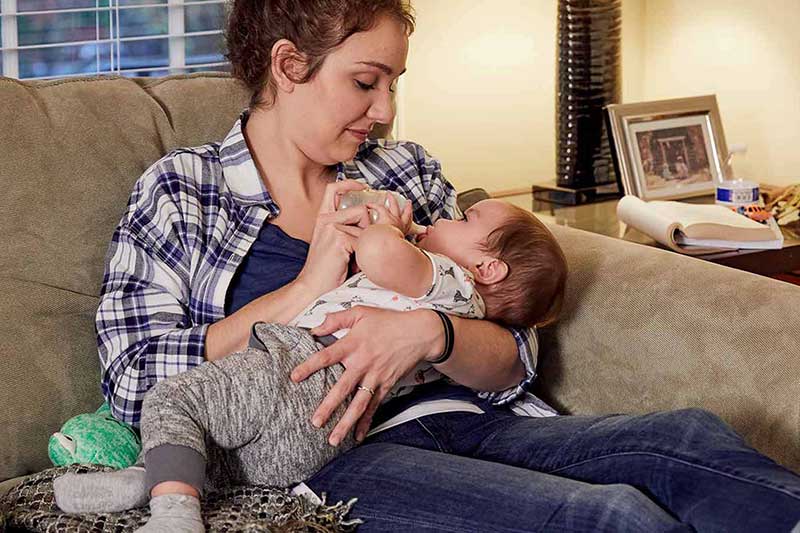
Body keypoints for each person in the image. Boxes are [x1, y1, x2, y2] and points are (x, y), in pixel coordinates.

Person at [87, 0, 800, 531]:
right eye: (367, 82)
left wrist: (435, 333)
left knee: (684, 440)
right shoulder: (185, 190)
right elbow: (135, 381)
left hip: (469, 415)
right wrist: (307, 284)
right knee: (610, 517)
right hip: (341, 451)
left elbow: (516, 348)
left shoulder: (405, 169)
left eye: (395, 82)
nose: (387, 109)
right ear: (287, 65)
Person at [55, 196, 568, 531]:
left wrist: (387, 229)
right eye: (367, 82)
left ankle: (171, 512)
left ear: (487, 267)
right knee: (234, 461)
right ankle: (153, 482)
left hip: (298, 366)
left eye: (463, 220)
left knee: (173, 398)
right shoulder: (453, 285)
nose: (443, 217)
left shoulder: (448, 278)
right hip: (330, 429)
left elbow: (382, 258)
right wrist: (310, 281)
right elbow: (130, 372)